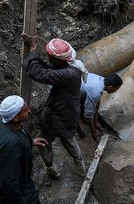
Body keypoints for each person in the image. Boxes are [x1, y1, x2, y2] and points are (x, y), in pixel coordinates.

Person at [21, 34, 88, 179]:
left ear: (61, 59)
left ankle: (74, 171)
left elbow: (39, 73)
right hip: (61, 115)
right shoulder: (69, 66)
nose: (49, 59)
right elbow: (48, 66)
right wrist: (35, 53)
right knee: (55, 141)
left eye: (51, 57)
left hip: (63, 117)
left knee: (64, 142)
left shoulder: (69, 74)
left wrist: (33, 49)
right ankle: (59, 171)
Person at [0, 95, 48, 204]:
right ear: (15, 117)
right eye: (26, 110)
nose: (29, 110)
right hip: (22, 186)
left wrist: (30, 142)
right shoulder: (11, 145)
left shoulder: (7, 124)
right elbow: (9, 183)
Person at [78, 73, 122, 141]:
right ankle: (79, 130)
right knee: (74, 114)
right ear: (110, 87)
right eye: (116, 89)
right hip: (69, 90)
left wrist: (96, 122)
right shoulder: (96, 91)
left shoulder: (101, 80)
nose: (115, 91)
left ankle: (85, 120)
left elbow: (97, 102)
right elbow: (88, 115)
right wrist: (93, 131)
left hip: (79, 86)